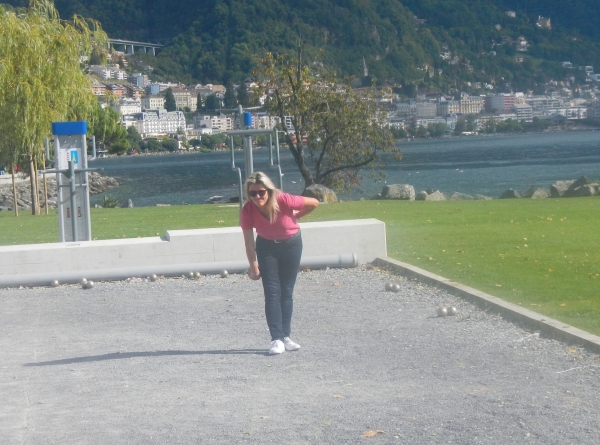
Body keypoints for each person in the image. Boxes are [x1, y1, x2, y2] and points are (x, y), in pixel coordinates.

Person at [241, 172, 319, 355]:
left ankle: (286, 336)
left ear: (269, 191)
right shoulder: (247, 211)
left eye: (261, 192)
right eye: (253, 194)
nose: (257, 197)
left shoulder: (283, 200)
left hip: (291, 244)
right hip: (266, 247)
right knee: (272, 292)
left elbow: (313, 203)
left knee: (287, 291)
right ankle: (276, 339)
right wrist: (254, 267)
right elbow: (249, 242)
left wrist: (297, 216)